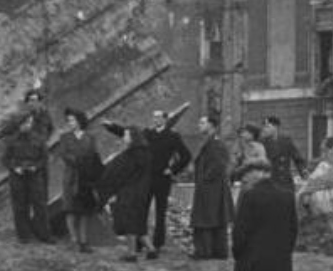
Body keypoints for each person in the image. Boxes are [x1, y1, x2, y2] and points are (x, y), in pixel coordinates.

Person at [0, 89, 55, 243]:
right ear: (26, 102)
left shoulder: (45, 116)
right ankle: (24, 234)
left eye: (37, 100)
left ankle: (43, 233)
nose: (34, 103)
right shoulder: (17, 120)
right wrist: (14, 165)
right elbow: (3, 143)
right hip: (18, 170)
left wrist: (40, 145)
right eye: (31, 100)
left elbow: (49, 132)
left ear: (40, 101)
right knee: (20, 204)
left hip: (37, 166)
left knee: (40, 201)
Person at [132, 110, 191, 257]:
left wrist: (172, 170)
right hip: (146, 178)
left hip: (162, 178)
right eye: (154, 117)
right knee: (142, 210)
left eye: (159, 117)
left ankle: (158, 244)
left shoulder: (172, 136)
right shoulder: (147, 134)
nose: (156, 120)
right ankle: (140, 242)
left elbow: (186, 156)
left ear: (165, 119)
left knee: (160, 211)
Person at [97, 125, 153, 262]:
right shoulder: (145, 153)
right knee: (139, 222)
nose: (124, 137)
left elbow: (118, 173)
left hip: (128, 191)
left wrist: (109, 188)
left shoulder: (131, 155)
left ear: (133, 138)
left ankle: (131, 252)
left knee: (129, 222)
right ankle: (151, 249)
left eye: (126, 135)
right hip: (142, 191)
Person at [58, 108, 103, 253]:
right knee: (70, 209)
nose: (70, 123)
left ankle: (84, 241)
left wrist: (93, 172)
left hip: (86, 178)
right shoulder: (65, 137)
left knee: (85, 210)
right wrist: (78, 161)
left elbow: (95, 155)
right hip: (71, 177)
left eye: (72, 120)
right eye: (68, 120)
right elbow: (64, 154)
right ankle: (74, 240)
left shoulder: (90, 137)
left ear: (79, 121)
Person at [190, 114, 234, 259]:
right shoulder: (209, 142)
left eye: (202, 123)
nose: (199, 125)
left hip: (211, 189)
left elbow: (219, 165)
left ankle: (205, 251)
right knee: (212, 219)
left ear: (211, 126)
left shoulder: (216, 143)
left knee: (208, 219)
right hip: (210, 188)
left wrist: (204, 179)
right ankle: (211, 251)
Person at [261, 115, 306, 191]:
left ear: (275, 127)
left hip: (284, 182)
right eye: (264, 127)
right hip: (269, 183)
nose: (264, 129)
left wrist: (303, 171)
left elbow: (297, 158)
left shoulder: (286, 141)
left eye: (267, 127)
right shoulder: (262, 143)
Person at [232, 123, 270, 190]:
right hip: (248, 180)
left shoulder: (255, 146)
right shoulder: (247, 146)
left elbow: (263, 161)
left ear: (251, 134)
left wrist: (241, 167)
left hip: (253, 181)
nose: (242, 135)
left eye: (245, 132)